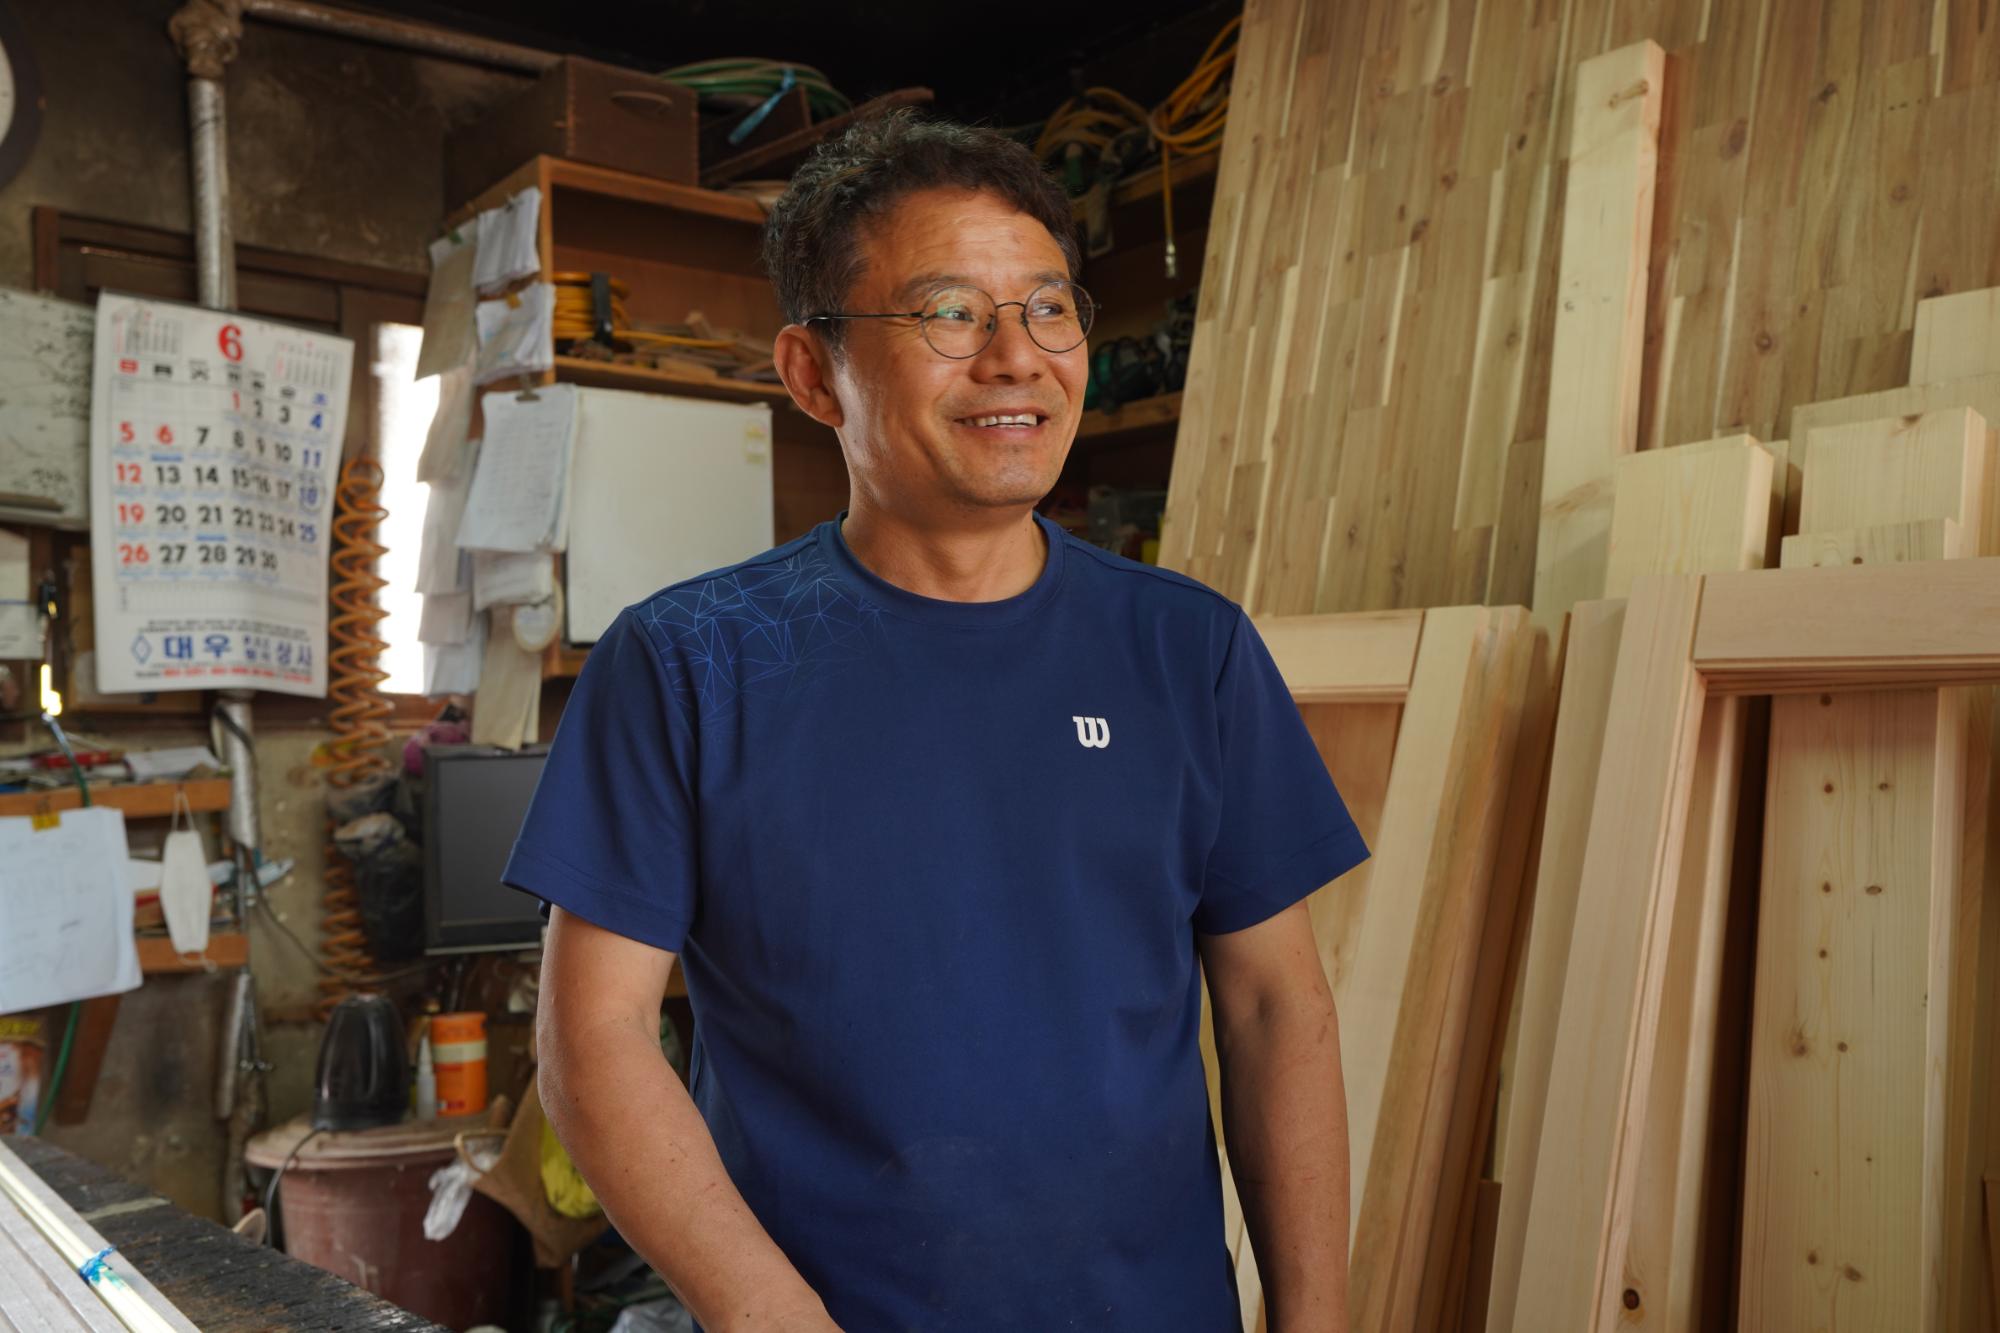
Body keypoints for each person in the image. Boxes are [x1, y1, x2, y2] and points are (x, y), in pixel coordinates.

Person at [506, 111, 1369, 1332]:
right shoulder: (690, 661)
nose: (1016, 357)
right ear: (813, 372)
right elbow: (594, 1042)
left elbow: (1277, 1010)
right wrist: (773, 1318)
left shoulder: (1189, 650)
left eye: (1049, 308)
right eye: (949, 314)